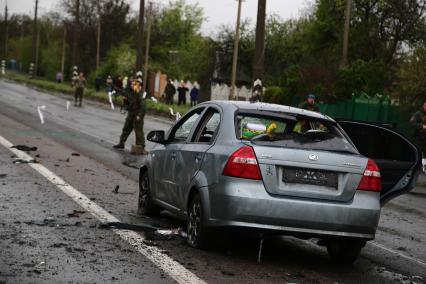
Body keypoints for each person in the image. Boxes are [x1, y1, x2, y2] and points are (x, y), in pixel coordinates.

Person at [113, 77, 147, 155]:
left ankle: (141, 147)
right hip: (131, 113)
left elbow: (143, 106)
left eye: (133, 84)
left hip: (137, 115)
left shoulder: (139, 93)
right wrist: (125, 100)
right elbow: (128, 103)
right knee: (126, 128)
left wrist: (139, 115)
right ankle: (121, 143)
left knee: (138, 131)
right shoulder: (131, 92)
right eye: (131, 84)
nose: (131, 85)